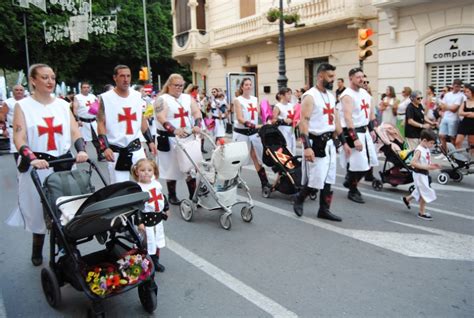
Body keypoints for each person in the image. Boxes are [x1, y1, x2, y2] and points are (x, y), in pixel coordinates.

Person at [6, 63, 88, 266]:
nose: (50, 81)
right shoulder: (22, 106)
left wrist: (82, 150)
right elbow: (19, 136)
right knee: (37, 210)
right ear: (33, 81)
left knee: (67, 208)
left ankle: (68, 249)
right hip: (38, 164)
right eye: (44, 77)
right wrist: (31, 157)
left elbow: (74, 131)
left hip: (63, 163)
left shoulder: (62, 105)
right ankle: (37, 246)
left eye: (52, 77)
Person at [293, 63, 347, 221]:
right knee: (317, 178)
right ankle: (300, 198)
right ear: (320, 76)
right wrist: (307, 148)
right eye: (330, 77)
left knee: (329, 178)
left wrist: (343, 142)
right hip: (316, 143)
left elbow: (336, 121)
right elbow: (304, 122)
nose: (333, 80)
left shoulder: (331, 96)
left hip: (330, 143)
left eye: (333, 76)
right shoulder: (310, 96)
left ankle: (324, 209)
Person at [97, 65, 157, 184]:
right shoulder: (104, 98)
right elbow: (100, 123)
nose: (126, 79)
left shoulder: (136, 96)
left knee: (147, 184)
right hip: (116, 150)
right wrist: (105, 147)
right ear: (115, 78)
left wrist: (150, 141)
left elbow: (141, 120)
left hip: (136, 148)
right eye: (122, 76)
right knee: (120, 188)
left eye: (128, 76)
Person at [154, 73, 202, 204]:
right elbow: (161, 117)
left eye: (181, 85)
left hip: (187, 137)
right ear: (169, 85)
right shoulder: (161, 99)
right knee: (171, 168)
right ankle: (172, 195)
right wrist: (174, 130)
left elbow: (196, 112)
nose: (179, 88)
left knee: (190, 166)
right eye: (176, 85)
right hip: (169, 138)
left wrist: (197, 125)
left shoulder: (187, 98)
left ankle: (193, 195)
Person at [340, 67, 378, 204]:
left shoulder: (366, 94)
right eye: (358, 77)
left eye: (362, 77)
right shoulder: (347, 96)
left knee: (368, 163)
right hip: (353, 132)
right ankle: (353, 190)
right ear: (350, 79)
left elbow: (370, 115)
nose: (361, 79)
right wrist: (355, 139)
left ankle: (349, 179)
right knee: (359, 164)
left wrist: (373, 129)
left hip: (365, 132)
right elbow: (348, 119)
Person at [232, 77, 270, 190]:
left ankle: (264, 183)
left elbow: (259, 114)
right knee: (239, 157)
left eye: (250, 84)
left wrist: (266, 119)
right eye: (246, 85)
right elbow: (239, 118)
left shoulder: (254, 99)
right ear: (242, 87)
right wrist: (251, 124)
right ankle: (234, 179)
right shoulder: (237, 100)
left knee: (256, 156)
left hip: (253, 133)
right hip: (242, 132)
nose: (248, 86)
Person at [132, 159, 168, 272]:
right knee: (147, 242)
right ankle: (145, 263)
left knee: (157, 241)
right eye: (142, 170)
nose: (146, 172)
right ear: (137, 172)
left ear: (153, 171)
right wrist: (139, 222)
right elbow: (136, 207)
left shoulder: (156, 184)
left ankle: (155, 261)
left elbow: (161, 197)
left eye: (149, 170)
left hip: (157, 219)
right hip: (146, 221)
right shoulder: (138, 189)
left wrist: (166, 208)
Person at [402, 129, 440, 220]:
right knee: (425, 192)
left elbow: (425, 160)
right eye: (431, 143)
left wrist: (431, 165)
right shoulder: (419, 150)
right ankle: (421, 212)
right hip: (419, 174)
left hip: (423, 173)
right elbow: (413, 163)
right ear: (424, 141)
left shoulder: (426, 148)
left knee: (420, 190)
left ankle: (407, 199)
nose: (432, 145)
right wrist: (426, 167)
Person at [73, 82, 102, 160]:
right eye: (84, 87)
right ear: (81, 88)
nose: (86, 89)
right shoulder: (77, 97)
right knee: (82, 140)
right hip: (83, 122)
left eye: (87, 87)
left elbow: (98, 107)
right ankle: (84, 156)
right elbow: (75, 109)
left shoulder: (92, 96)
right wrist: (77, 119)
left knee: (97, 139)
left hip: (92, 122)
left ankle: (100, 154)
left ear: (89, 88)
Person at [438, 79, 464, 154]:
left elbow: (454, 109)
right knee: (441, 135)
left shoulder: (460, 96)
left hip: (454, 119)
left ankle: (453, 154)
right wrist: (448, 107)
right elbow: (441, 106)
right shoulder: (447, 94)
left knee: (452, 137)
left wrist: (446, 107)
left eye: (459, 87)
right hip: (445, 117)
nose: (457, 88)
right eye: (456, 86)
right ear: (453, 86)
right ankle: (445, 153)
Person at [1, 84, 25, 159]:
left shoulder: (28, 102)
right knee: (17, 149)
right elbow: (2, 116)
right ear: (13, 92)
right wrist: (4, 129)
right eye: (16, 90)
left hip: (27, 129)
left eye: (21, 90)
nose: (19, 92)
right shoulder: (8, 102)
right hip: (14, 130)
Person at [272, 87, 296, 154]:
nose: (290, 96)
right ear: (282, 95)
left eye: (290, 94)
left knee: (292, 147)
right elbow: (273, 120)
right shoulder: (278, 106)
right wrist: (283, 120)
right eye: (288, 94)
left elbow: (293, 117)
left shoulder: (291, 105)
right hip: (282, 129)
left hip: (291, 129)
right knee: (286, 146)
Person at [455, 84, 474, 152]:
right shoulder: (465, 102)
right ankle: (459, 158)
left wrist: (465, 114)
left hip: (472, 124)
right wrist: (469, 113)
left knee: (471, 144)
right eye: (465, 92)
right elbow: (460, 112)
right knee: (458, 141)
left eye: (468, 92)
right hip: (464, 123)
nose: (466, 93)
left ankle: (471, 160)